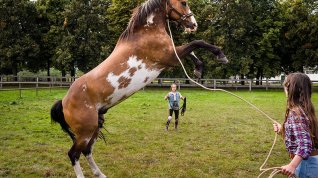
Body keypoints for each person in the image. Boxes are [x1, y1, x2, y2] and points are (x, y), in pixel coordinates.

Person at [273, 73, 318, 178]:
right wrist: (282, 130)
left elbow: (305, 144)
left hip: (306, 165)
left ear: (290, 89)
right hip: (311, 163)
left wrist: (292, 166)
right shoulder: (305, 109)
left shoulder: (295, 113)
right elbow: (304, 135)